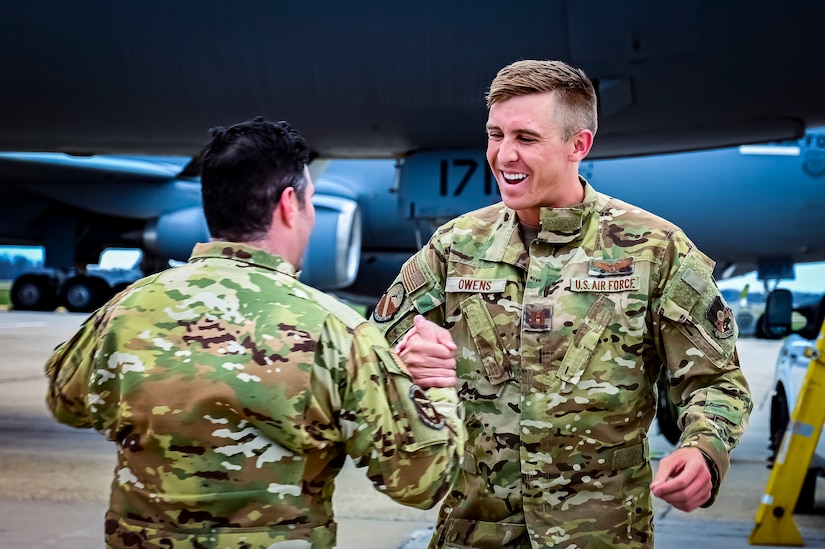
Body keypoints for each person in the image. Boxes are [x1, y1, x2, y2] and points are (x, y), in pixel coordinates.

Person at [370, 60, 753, 548]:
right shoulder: (455, 246)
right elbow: (371, 351)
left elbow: (716, 380)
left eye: (526, 138)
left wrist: (704, 448)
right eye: (495, 134)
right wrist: (403, 360)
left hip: (601, 535)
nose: (503, 155)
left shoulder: (653, 249)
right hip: (474, 532)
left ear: (579, 145)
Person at [44, 117, 465, 549]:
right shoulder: (336, 331)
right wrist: (436, 387)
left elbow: (66, 403)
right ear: (288, 205)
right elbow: (422, 480)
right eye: (311, 201)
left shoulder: (125, 310)